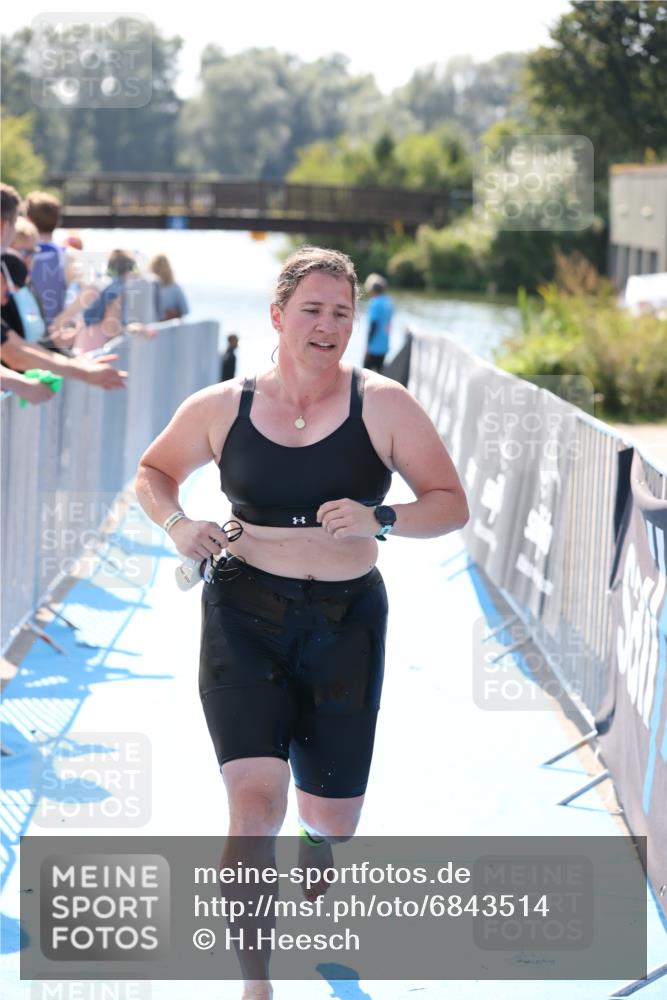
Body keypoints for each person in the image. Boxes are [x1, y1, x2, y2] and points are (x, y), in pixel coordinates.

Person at [134, 246, 469, 1000]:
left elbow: (449, 503)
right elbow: (154, 473)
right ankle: (256, 984)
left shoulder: (382, 404)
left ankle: (318, 843)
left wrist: (381, 516)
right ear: (278, 316)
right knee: (252, 809)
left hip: (346, 624)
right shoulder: (222, 405)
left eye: (341, 313)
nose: (327, 326)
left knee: (334, 819)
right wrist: (175, 523)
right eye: (312, 310)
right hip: (242, 613)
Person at [24, 190, 68, 325]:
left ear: (28, 220)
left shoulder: (19, 255)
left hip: (23, 331)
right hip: (56, 333)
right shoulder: (66, 256)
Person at [363, 272, 394, 373]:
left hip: (374, 347)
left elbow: (373, 325)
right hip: (384, 345)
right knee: (380, 372)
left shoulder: (375, 303)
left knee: (364, 374)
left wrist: (367, 347)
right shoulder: (389, 302)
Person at [149, 253, 189, 321]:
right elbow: (185, 310)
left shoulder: (148, 287)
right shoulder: (175, 288)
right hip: (170, 327)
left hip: (152, 327)